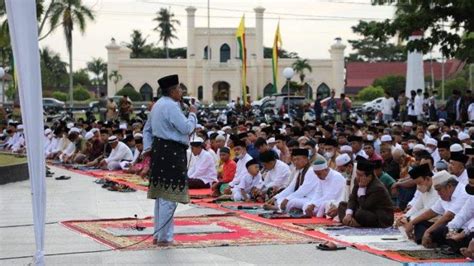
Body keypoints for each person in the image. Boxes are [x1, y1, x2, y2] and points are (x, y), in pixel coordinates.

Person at [143, 74, 197, 246]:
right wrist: (193, 115)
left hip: (160, 151)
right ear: (173, 90)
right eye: (179, 89)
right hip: (172, 152)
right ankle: (165, 238)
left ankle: (158, 235)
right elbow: (186, 128)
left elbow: (147, 130)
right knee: (169, 196)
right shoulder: (172, 106)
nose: (181, 92)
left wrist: (148, 148)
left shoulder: (157, 105)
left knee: (161, 196)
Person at [404, 171, 469, 248]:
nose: (438, 193)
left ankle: (436, 242)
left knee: (443, 229)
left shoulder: (463, 192)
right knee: (420, 222)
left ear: (449, 186)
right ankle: (429, 241)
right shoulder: (444, 194)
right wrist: (412, 223)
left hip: (462, 227)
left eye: (439, 190)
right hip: (450, 225)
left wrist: (428, 231)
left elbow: (448, 216)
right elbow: (432, 211)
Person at [338, 159, 394, 228]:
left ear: (369, 177)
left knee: (360, 213)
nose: (357, 177)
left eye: (360, 175)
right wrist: (348, 214)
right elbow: (353, 198)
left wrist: (362, 188)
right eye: (357, 174)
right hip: (365, 210)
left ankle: (355, 223)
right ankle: (352, 222)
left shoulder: (378, 188)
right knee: (342, 205)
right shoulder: (357, 180)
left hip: (380, 217)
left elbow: (364, 206)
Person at [396, 164, 439, 244]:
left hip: (436, 221)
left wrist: (410, 219)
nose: (418, 186)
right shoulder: (425, 189)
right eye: (416, 184)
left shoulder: (437, 189)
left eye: (419, 183)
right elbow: (417, 207)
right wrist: (405, 216)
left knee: (418, 224)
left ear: (428, 179)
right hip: (426, 220)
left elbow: (428, 211)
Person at [445, 167, 474, 254]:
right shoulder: (472, 196)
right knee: (444, 231)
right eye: (470, 183)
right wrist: (452, 230)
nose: (472, 186)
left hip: (471, 231)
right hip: (469, 230)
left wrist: (462, 235)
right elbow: (463, 214)